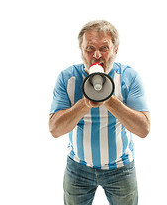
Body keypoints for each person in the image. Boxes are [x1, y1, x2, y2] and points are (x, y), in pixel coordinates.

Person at [49, 20, 150, 205]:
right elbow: (55, 129)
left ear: (115, 50)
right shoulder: (67, 78)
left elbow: (144, 129)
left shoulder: (129, 77)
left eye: (104, 48)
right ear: (81, 50)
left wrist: (109, 100)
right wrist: (84, 104)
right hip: (78, 167)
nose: (96, 55)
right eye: (89, 48)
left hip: (121, 167)